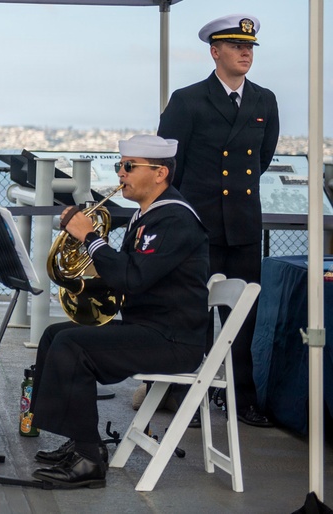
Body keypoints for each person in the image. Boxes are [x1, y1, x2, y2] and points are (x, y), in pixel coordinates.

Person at [29, 135, 210, 489]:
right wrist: (78, 285)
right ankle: (78, 439)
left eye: (129, 166)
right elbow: (126, 279)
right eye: (119, 166)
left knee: (73, 347)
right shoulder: (147, 216)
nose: (121, 173)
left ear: (159, 173)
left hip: (173, 339)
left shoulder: (175, 220)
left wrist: (90, 239)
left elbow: (134, 276)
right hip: (151, 329)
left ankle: (89, 461)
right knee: (54, 335)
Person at [157, 14, 279, 428]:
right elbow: (170, 169)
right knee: (193, 313)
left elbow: (260, 161)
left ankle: (242, 399)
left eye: (249, 47)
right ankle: (184, 394)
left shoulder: (264, 100)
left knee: (243, 317)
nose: (246, 52)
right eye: (236, 46)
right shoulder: (187, 100)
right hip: (200, 227)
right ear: (215, 51)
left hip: (243, 226)